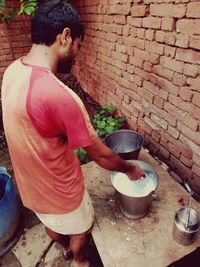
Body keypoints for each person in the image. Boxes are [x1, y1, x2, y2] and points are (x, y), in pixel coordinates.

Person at [1, 1, 144, 267]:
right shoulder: (60, 96)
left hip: (31, 189)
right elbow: (101, 155)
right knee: (81, 229)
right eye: (78, 45)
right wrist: (130, 170)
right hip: (63, 195)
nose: (77, 53)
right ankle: (79, 260)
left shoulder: (12, 71)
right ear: (65, 36)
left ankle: (64, 248)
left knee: (51, 224)